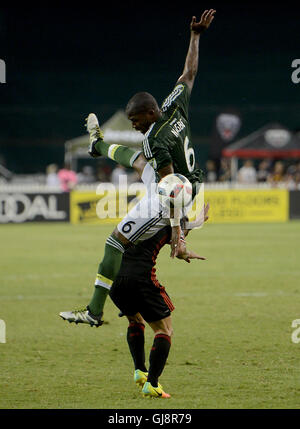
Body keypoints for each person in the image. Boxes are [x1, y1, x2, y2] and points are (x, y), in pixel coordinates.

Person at [59, 9, 216, 327]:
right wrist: (196, 36)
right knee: (138, 161)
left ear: (148, 112)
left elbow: (169, 189)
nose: (133, 126)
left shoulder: (154, 141)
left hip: (173, 193)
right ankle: (98, 146)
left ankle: (93, 311)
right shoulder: (174, 104)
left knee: (115, 241)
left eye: (135, 121)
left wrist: (178, 233)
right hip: (189, 182)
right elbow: (189, 73)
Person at [110, 204, 209, 398]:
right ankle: (152, 384)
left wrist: (195, 223)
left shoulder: (145, 214)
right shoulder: (173, 222)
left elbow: (176, 232)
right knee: (164, 330)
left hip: (116, 278)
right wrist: (187, 249)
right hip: (141, 281)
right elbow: (179, 246)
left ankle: (140, 370)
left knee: (135, 320)